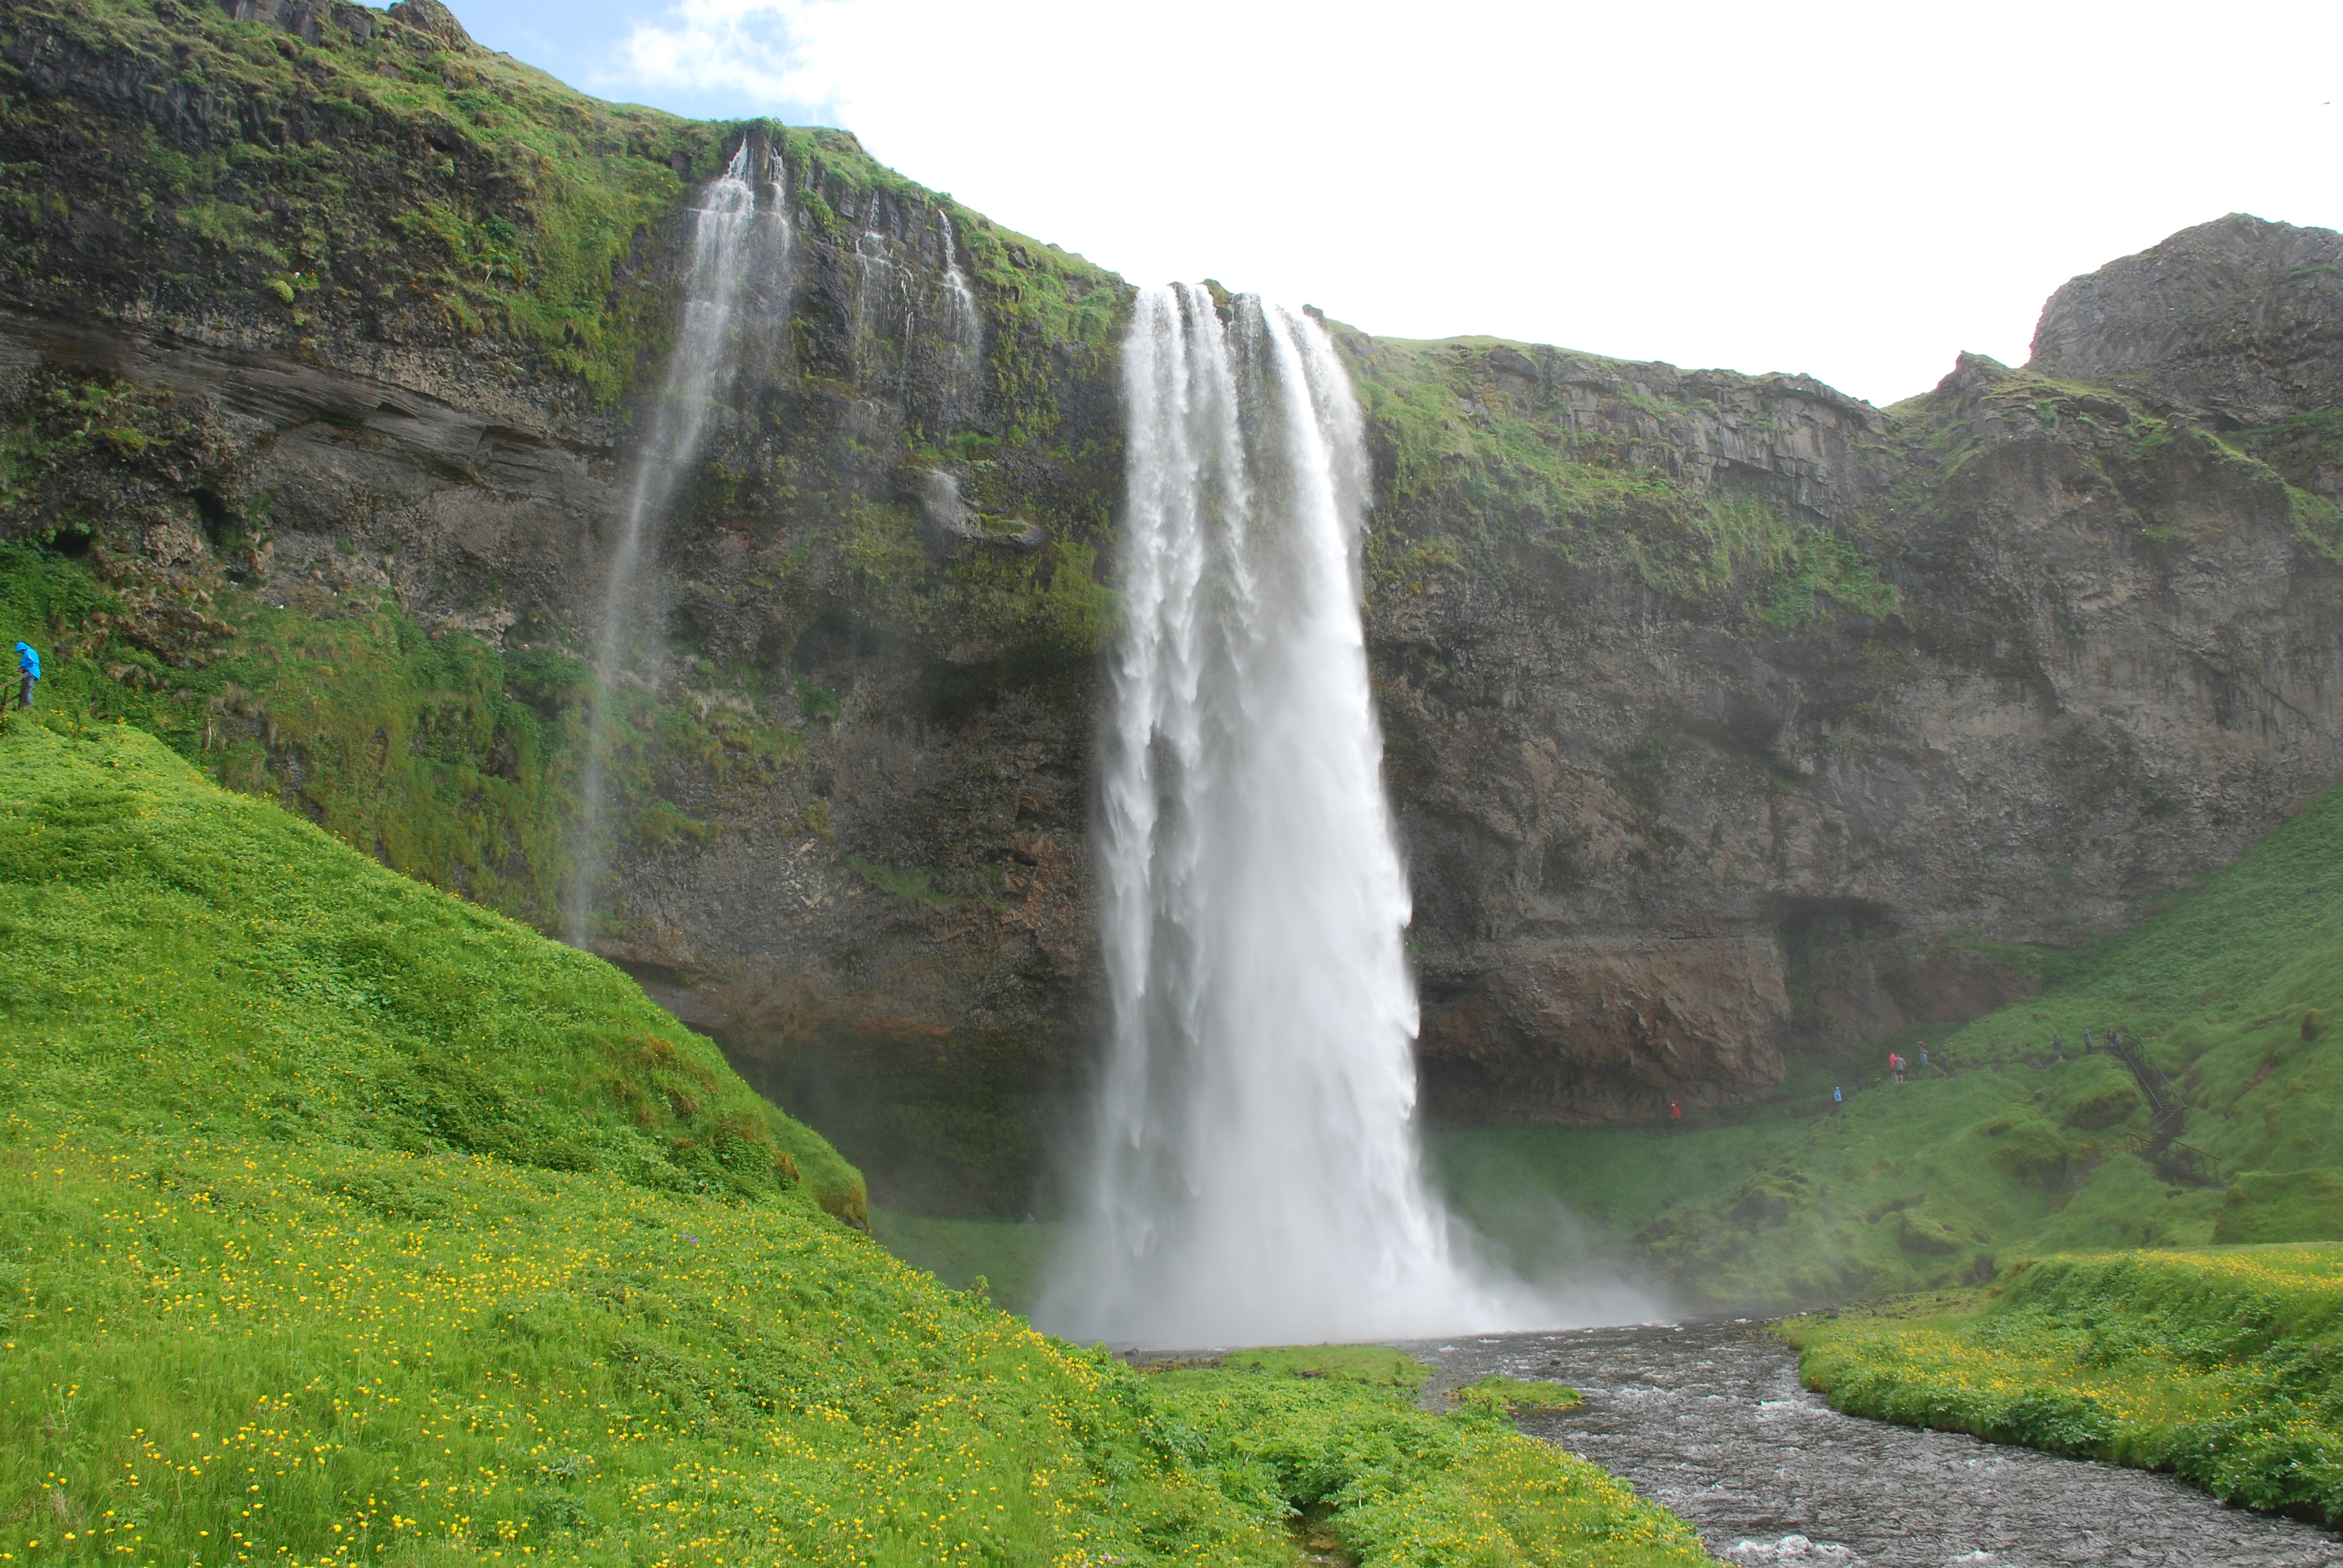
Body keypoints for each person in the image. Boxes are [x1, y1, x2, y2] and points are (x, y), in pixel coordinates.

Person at [10, 642, 36, 712]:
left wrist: (22, 667)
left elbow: (30, 661)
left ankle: (27, 706)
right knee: (25, 689)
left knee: (27, 690)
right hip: (33, 672)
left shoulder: (29, 652)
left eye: (20, 651)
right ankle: (22, 706)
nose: (21, 653)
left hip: (31, 672)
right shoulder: (31, 651)